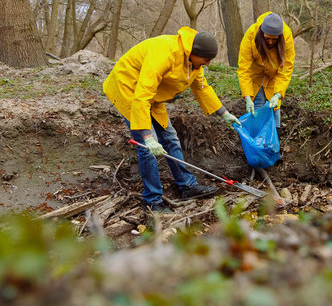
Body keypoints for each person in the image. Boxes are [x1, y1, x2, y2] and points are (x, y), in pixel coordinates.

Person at [103, 27, 241, 213]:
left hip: (153, 94)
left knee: (170, 138)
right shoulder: (165, 53)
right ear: (193, 53)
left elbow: (202, 88)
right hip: (129, 90)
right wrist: (147, 136)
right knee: (148, 149)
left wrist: (224, 113)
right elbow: (141, 96)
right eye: (206, 59)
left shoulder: (193, 63)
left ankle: (187, 186)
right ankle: (152, 201)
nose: (208, 64)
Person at [237, 12, 295, 160]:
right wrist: (247, 96)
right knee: (257, 108)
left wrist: (278, 94)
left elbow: (286, 68)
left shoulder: (287, 37)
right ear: (261, 33)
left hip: (275, 75)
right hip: (256, 75)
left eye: (274, 40)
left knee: (274, 108)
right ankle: (257, 149)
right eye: (267, 38)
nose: (270, 42)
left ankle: (273, 148)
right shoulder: (251, 34)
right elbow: (244, 68)